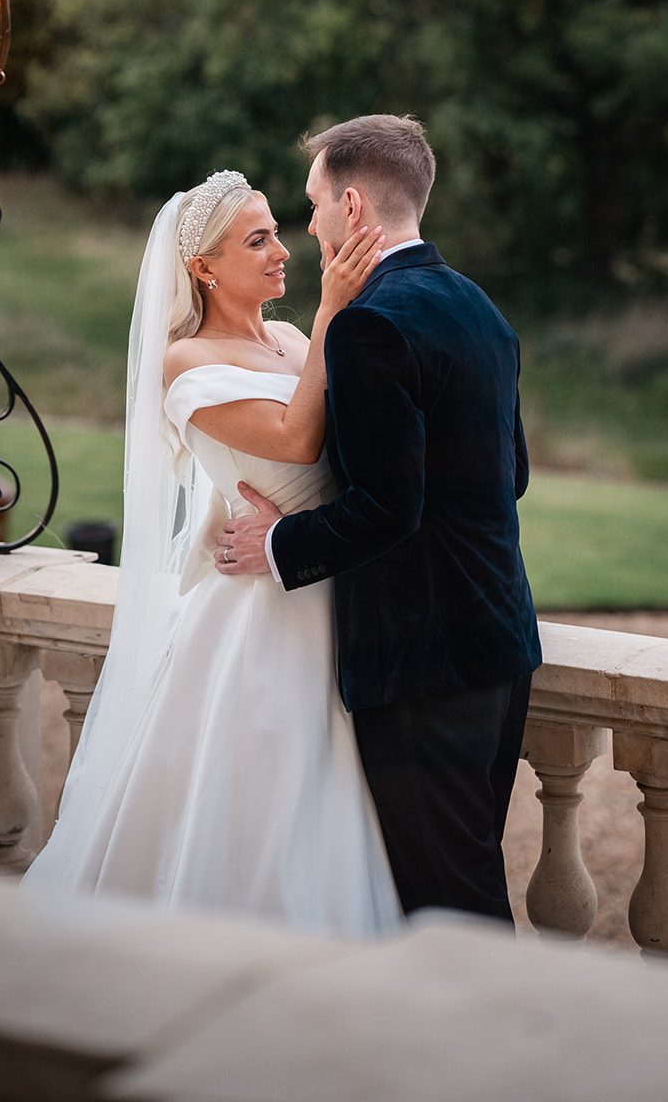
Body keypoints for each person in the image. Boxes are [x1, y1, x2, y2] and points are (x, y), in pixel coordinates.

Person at [21, 169, 402, 935]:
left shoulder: (295, 339)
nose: (283, 252)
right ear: (202, 266)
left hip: (330, 577)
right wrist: (334, 308)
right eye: (256, 240)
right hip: (262, 614)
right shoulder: (185, 361)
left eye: (277, 232)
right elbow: (296, 440)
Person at [217, 115, 542, 925]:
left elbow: (388, 510)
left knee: (447, 911)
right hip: (501, 644)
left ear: (353, 206)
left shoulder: (369, 326)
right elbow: (517, 475)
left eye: (316, 204)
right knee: (465, 881)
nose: (311, 225)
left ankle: (491, 1050)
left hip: (421, 663)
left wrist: (278, 541)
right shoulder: (474, 304)